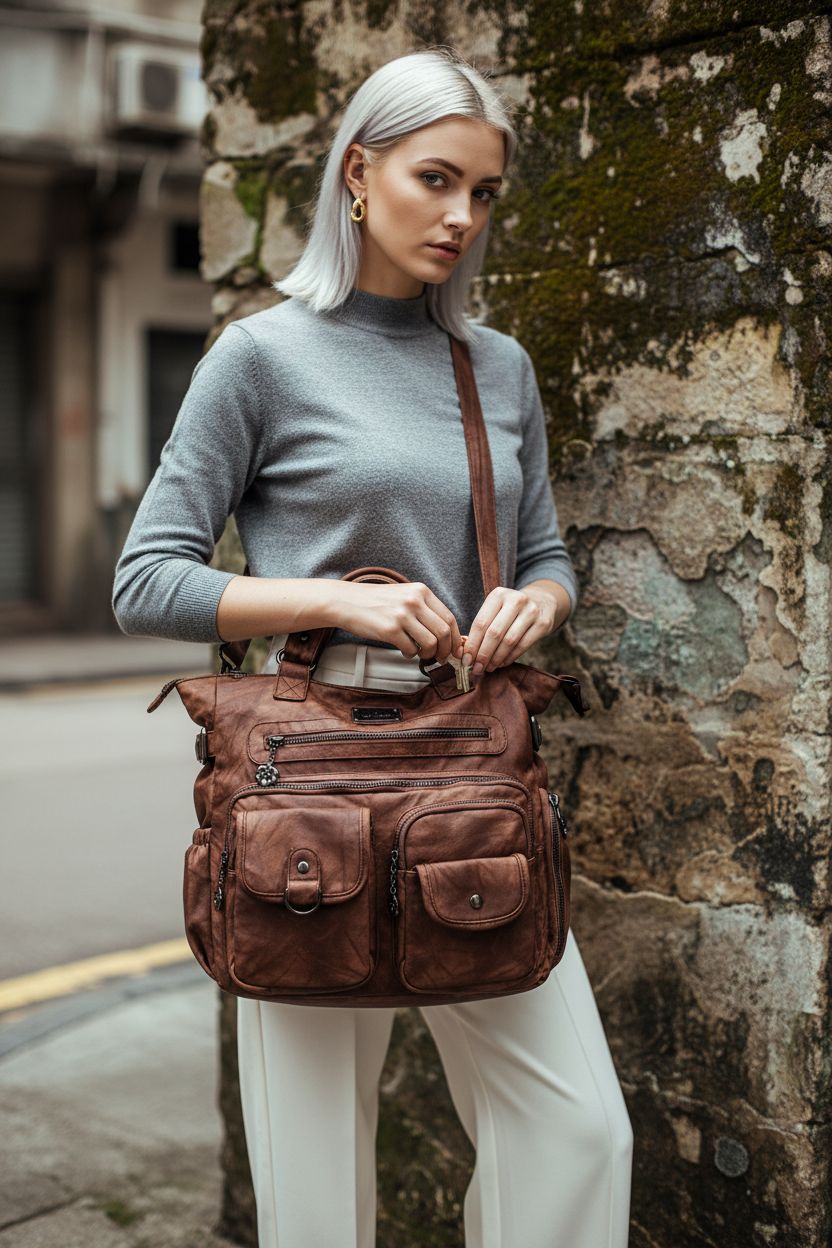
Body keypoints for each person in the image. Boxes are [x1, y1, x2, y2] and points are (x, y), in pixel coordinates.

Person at [112, 45, 633, 1248]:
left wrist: (535, 607)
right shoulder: (260, 356)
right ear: (358, 174)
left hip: (467, 768)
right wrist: (336, 602)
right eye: (434, 179)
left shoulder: (492, 367)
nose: (462, 216)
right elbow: (146, 581)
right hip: (307, 786)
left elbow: (546, 552)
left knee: (577, 1130)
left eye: (484, 193)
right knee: (314, 1181)